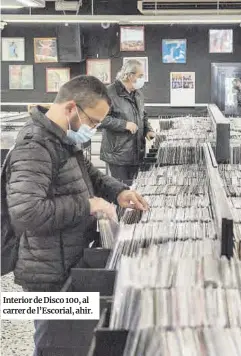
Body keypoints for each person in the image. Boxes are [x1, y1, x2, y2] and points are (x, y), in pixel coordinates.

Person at [5, 75, 148, 355]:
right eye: (93, 122)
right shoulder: (35, 145)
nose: (93, 129)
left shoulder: (62, 138)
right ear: (71, 108)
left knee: (69, 341)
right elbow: (26, 214)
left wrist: (118, 192)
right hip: (46, 274)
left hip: (67, 260)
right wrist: (87, 205)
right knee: (51, 343)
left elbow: (87, 175)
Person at [100, 59, 155, 185]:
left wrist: (148, 130)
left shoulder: (138, 94)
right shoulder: (109, 93)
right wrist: (124, 125)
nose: (142, 80)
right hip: (118, 156)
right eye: (140, 76)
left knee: (135, 189)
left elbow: (143, 115)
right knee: (122, 192)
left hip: (137, 153)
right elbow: (101, 119)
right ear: (130, 76)